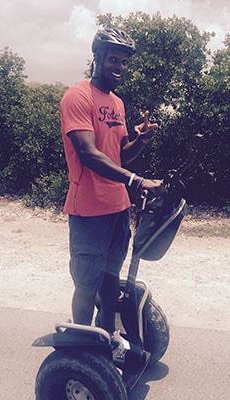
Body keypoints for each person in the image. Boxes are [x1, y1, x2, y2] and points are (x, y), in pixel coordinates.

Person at [62, 27, 162, 387]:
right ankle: (80, 353)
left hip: (117, 209)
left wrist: (139, 141)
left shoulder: (117, 104)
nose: (119, 65)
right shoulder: (77, 96)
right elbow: (89, 155)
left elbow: (119, 155)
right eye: (113, 58)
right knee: (86, 285)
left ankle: (104, 348)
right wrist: (137, 181)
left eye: (123, 61)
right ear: (97, 57)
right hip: (88, 210)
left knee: (108, 285)